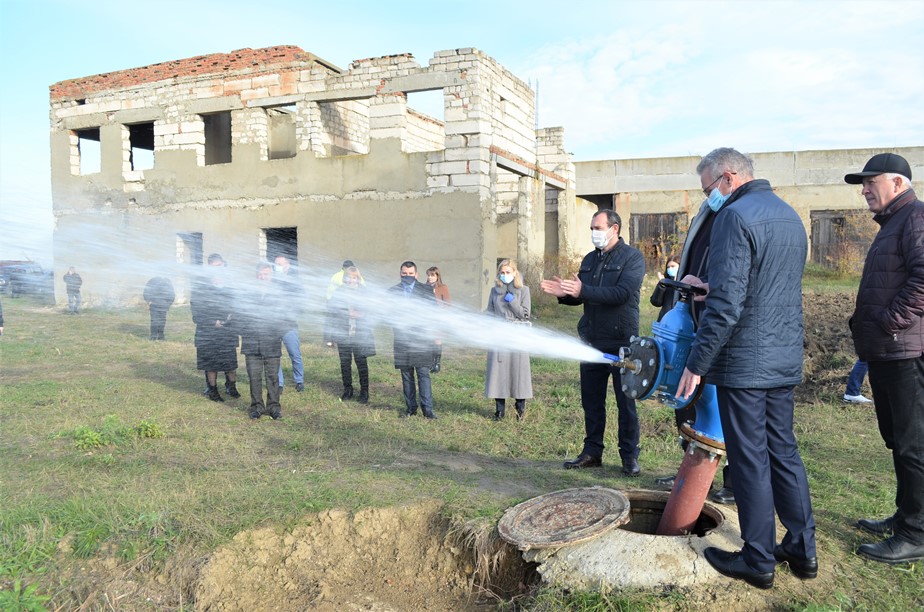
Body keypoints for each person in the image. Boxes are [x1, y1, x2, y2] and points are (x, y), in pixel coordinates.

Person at [675, 147, 816, 589]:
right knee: (783, 451)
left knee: (750, 457)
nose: (708, 199)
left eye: (708, 190)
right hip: (782, 354)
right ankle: (802, 547)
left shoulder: (733, 217)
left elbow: (727, 307)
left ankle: (757, 559)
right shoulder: (790, 216)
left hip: (745, 362)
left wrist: (697, 363)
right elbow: (767, 285)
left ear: (729, 177)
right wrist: (714, 285)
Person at [845, 152, 924, 565]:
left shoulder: (915, 217)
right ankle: (905, 516)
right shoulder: (894, 222)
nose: (864, 190)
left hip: (906, 350)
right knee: (898, 440)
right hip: (887, 350)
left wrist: (890, 321)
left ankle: (917, 532)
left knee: (914, 444)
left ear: (897, 183)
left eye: (870, 182)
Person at [540, 209, 645, 476]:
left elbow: (622, 294)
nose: (594, 233)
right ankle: (592, 452)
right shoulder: (589, 259)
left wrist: (583, 290)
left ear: (614, 229)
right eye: (592, 228)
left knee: (626, 403)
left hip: (622, 341)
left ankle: (629, 456)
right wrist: (565, 294)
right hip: (592, 340)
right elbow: (582, 295)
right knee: (592, 400)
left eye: (598, 228)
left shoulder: (632, 258)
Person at [650, 205, 736, 505]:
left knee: (725, 411)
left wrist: (709, 287)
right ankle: (689, 472)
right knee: (687, 406)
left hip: (718, 330)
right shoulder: (705, 220)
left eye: (708, 189)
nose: (707, 198)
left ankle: (733, 483)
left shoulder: (734, 224)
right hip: (695, 324)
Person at [484, 259, 533, 421]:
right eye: (502, 272)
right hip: (499, 335)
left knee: (519, 373)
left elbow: (525, 314)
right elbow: (490, 312)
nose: (505, 275)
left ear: (515, 273)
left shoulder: (524, 290)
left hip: (518, 335)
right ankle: (499, 411)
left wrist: (512, 301)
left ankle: (520, 411)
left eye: (508, 272)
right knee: (498, 372)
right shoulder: (494, 291)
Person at [389, 261, 438, 419]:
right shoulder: (392, 292)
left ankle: (428, 410)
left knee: (423, 374)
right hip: (402, 340)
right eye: (405, 273)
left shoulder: (426, 290)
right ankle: (410, 408)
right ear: (400, 273)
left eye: (411, 273)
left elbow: (434, 313)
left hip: (421, 339)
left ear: (416, 274)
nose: (407, 276)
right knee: (406, 375)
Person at [239, 262, 288, 420]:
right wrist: (246, 331)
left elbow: (285, 318)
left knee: (272, 377)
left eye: (266, 274)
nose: (263, 277)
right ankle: (256, 407)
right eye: (260, 274)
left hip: (271, 342)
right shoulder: (247, 293)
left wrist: (276, 333)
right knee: (254, 377)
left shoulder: (279, 294)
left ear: (271, 275)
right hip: (252, 343)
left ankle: (274, 407)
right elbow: (240, 315)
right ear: (256, 275)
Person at [190, 254, 240, 401]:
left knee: (230, 362)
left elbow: (237, 304)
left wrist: (232, 316)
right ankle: (212, 390)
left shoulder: (230, 284)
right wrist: (213, 321)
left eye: (219, 266)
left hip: (227, 331)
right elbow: (196, 313)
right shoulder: (200, 286)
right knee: (211, 363)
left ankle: (231, 386)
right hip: (208, 332)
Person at [326, 266, 376, 403]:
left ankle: (364, 391)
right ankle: (347, 390)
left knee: (361, 363)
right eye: (348, 277)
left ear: (358, 279)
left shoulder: (365, 292)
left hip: (360, 335)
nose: (351, 280)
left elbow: (372, 311)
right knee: (345, 363)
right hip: (343, 334)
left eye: (354, 278)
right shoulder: (338, 292)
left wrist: (360, 314)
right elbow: (332, 313)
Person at [273, 255, 305, 393]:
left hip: (289, 325)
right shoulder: (272, 280)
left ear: (288, 264)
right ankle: (279, 383)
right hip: (274, 325)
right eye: (276, 264)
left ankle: (299, 381)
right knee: (275, 356)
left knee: (294, 354)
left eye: (280, 264)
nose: (277, 267)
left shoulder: (295, 281)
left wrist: (292, 312)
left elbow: (301, 303)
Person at [426, 266, 450, 373]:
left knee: (437, 340)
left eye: (432, 275)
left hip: (438, 319)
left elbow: (447, 304)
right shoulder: (425, 287)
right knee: (428, 340)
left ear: (437, 276)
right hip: (427, 318)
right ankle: (429, 362)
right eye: (428, 275)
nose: (430, 277)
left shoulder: (443, 287)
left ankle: (436, 364)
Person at [143, 276, 176, 341]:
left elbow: (146, 291)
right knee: (160, 320)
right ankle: (159, 336)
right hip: (160, 304)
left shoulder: (153, 280)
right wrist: (168, 303)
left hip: (157, 304)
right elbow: (172, 294)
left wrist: (148, 301)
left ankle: (155, 336)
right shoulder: (165, 281)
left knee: (156, 320)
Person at [650, 255, 680, 321]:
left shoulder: (686, 283)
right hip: (665, 320)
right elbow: (656, 302)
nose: (670, 269)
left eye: (673, 266)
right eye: (668, 267)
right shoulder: (666, 283)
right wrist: (661, 285)